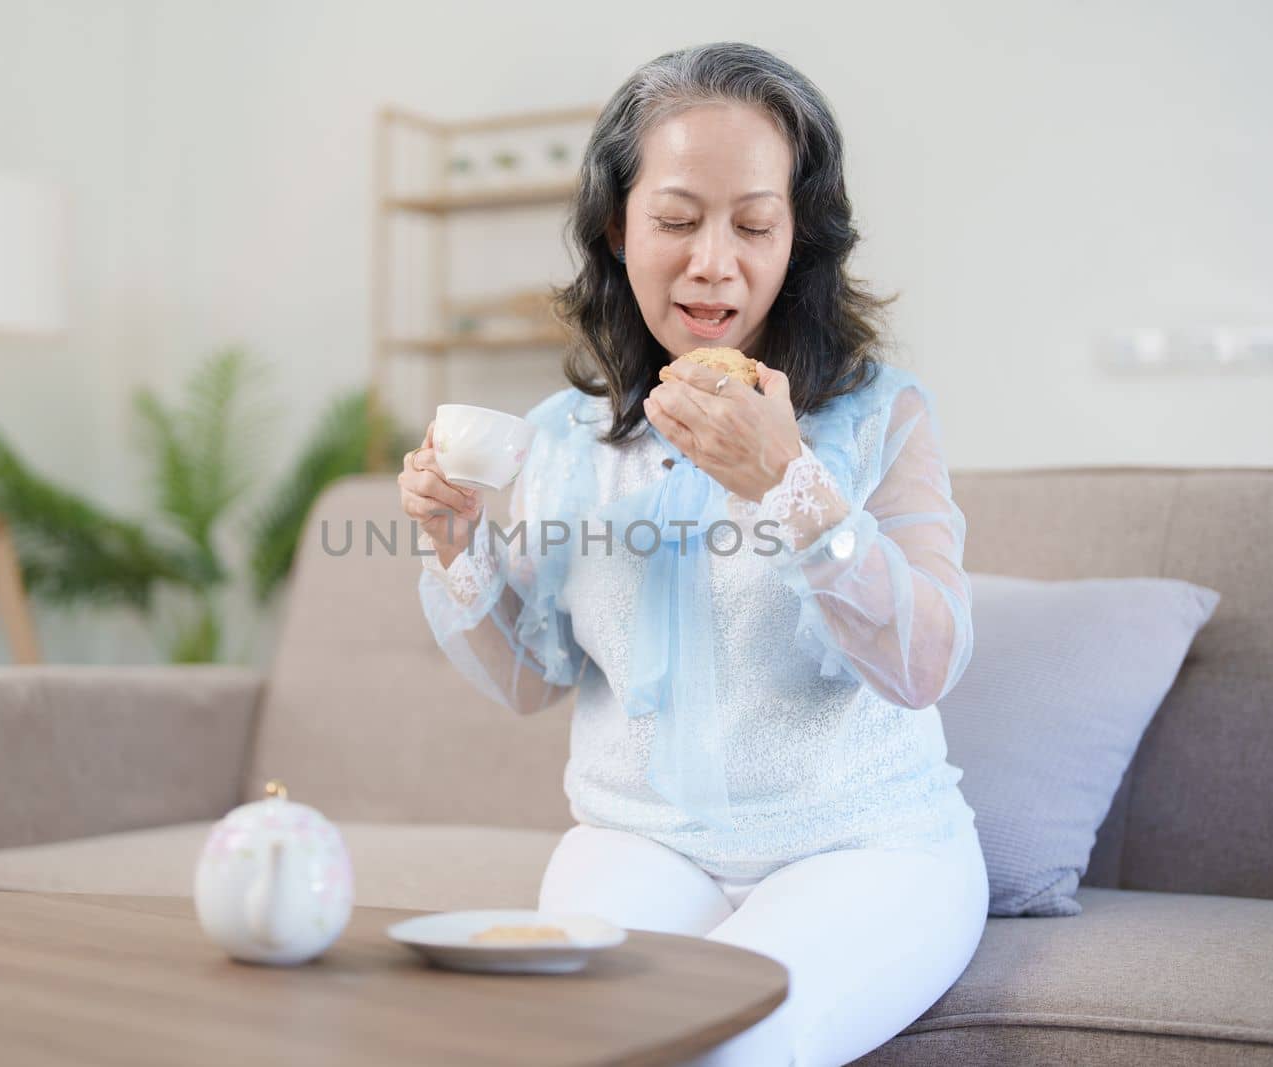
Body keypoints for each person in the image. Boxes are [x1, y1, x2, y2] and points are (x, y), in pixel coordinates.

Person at [396, 41, 987, 1067]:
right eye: (676, 219)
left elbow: (923, 662)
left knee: (725, 1042)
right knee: (569, 1040)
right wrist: (461, 546)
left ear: (797, 237)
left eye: (753, 224)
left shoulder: (877, 418)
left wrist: (790, 484)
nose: (714, 259)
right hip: (637, 842)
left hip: (866, 848)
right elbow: (537, 681)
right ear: (617, 228)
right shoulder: (564, 437)